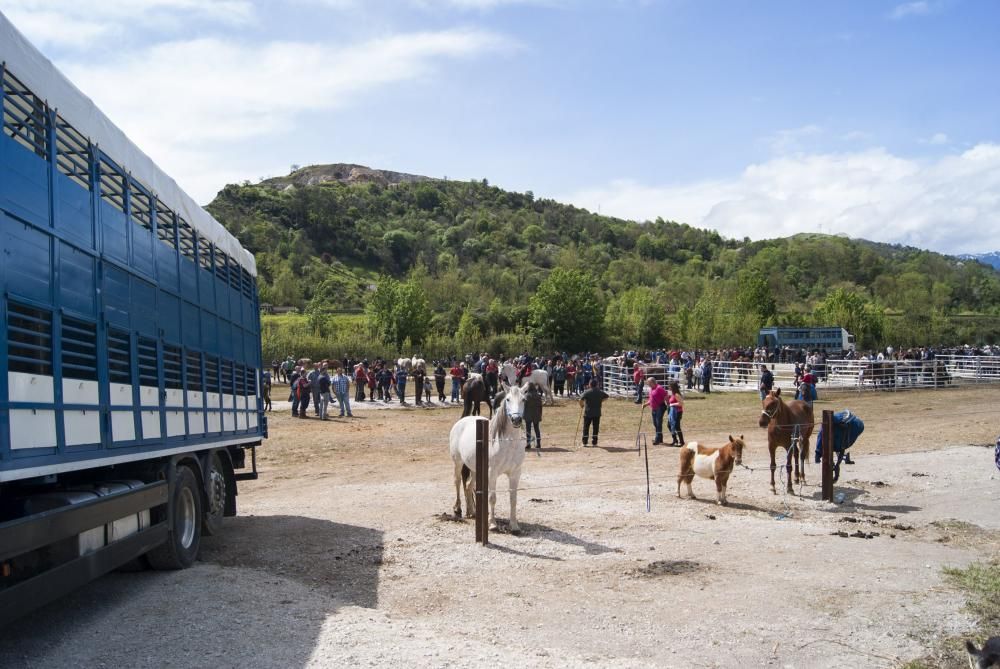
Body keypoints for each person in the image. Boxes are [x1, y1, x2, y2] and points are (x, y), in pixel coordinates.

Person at [579, 379, 609, 447]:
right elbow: (607, 397)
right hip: (597, 413)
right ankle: (594, 442)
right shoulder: (600, 392)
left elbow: (580, 400)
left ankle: (585, 442)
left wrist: (582, 405)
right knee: (596, 427)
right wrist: (601, 401)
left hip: (588, 413)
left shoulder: (587, 392)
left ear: (590, 384)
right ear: (597, 384)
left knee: (586, 427)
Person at [643, 377, 667, 445]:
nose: (648, 384)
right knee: (655, 423)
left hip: (660, 407)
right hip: (654, 408)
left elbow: (666, 396)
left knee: (658, 423)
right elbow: (651, 400)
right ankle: (660, 438)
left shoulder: (659, 388)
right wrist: (645, 404)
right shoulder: (651, 389)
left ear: (653, 382)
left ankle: (657, 439)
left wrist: (668, 405)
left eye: (649, 383)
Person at [523, 382, 543, 450]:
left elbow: (524, 406)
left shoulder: (526, 395)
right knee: (537, 429)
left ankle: (528, 444)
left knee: (528, 430)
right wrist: (540, 414)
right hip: (536, 414)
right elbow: (540, 406)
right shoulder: (538, 395)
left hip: (528, 414)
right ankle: (539, 443)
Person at [667, 380, 685, 446]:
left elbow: (681, 403)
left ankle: (681, 442)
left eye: (669, 386)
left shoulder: (677, 394)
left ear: (673, 387)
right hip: (672, 412)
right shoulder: (672, 394)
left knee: (677, 427)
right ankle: (675, 440)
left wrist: (672, 404)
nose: (668, 387)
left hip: (677, 412)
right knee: (669, 425)